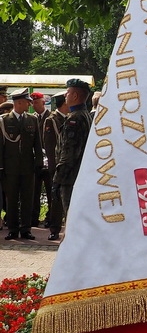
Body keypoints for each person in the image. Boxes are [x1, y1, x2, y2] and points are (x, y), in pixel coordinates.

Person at [0, 90, 43, 240]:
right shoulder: (4, 120)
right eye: (26, 101)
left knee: (27, 199)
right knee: (11, 199)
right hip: (9, 167)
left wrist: (38, 163)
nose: (29, 104)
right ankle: (12, 229)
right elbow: (1, 145)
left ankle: (26, 229)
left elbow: (37, 144)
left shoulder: (32, 120)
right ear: (18, 103)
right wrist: (1, 166)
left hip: (27, 167)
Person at [53, 79, 92, 220]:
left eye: (67, 93)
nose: (65, 96)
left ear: (75, 96)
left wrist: (57, 180)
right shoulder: (85, 115)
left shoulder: (74, 120)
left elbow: (68, 154)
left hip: (70, 178)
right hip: (81, 176)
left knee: (71, 218)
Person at [43, 92, 68, 241]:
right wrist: (54, 167)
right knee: (56, 199)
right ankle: (54, 229)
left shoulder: (70, 118)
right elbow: (49, 146)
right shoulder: (51, 120)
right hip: (57, 166)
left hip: (68, 165)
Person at [30, 92, 51, 227]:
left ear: (43, 102)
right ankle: (33, 219)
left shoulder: (51, 117)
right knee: (34, 192)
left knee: (50, 192)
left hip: (49, 161)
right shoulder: (32, 119)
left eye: (37, 102)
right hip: (36, 161)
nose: (35, 105)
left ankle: (50, 218)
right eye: (33, 103)